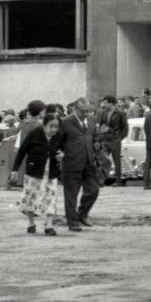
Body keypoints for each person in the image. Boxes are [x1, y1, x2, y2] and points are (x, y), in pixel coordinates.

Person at [49, 99, 100, 231]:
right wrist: (58, 153)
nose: (86, 113)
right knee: (71, 194)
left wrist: (97, 145)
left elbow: (94, 137)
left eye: (88, 110)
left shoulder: (93, 120)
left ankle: (82, 214)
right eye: (83, 111)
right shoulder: (65, 122)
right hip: (71, 163)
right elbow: (56, 142)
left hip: (89, 162)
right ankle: (72, 223)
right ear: (75, 109)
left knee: (93, 190)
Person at [10, 112, 61, 235]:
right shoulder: (34, 134)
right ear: (44, 125)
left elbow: (61, 149)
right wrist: (15, 170)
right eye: (51, 126)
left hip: (51, 171)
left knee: (51, 197)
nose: (54, 129)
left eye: (56, 126)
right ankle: (31, 222)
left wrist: (61, 155)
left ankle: (48, 225)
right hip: (34, 172)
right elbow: (22, 151)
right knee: (30, 198)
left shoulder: (58, 136)